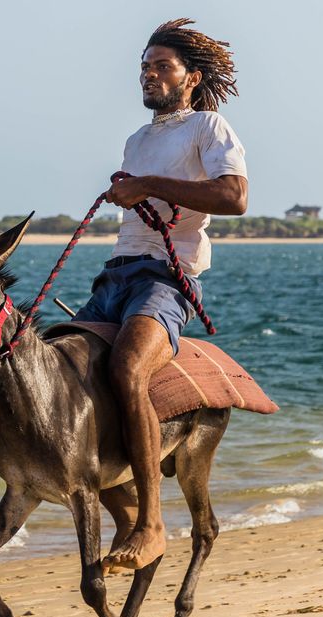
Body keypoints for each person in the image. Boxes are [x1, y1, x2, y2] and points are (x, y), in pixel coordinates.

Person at [72, 18, 248, 571]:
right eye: (144, 66)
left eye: (161, 66)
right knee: (59, 375)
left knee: (126, 368)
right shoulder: (138, 138)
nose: (149, 75)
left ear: (191, 77)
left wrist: (146, 186)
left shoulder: (208, 126)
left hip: (164, 281)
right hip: (114, 278)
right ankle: (123, 514)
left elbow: (234, 195)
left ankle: (151, 525)